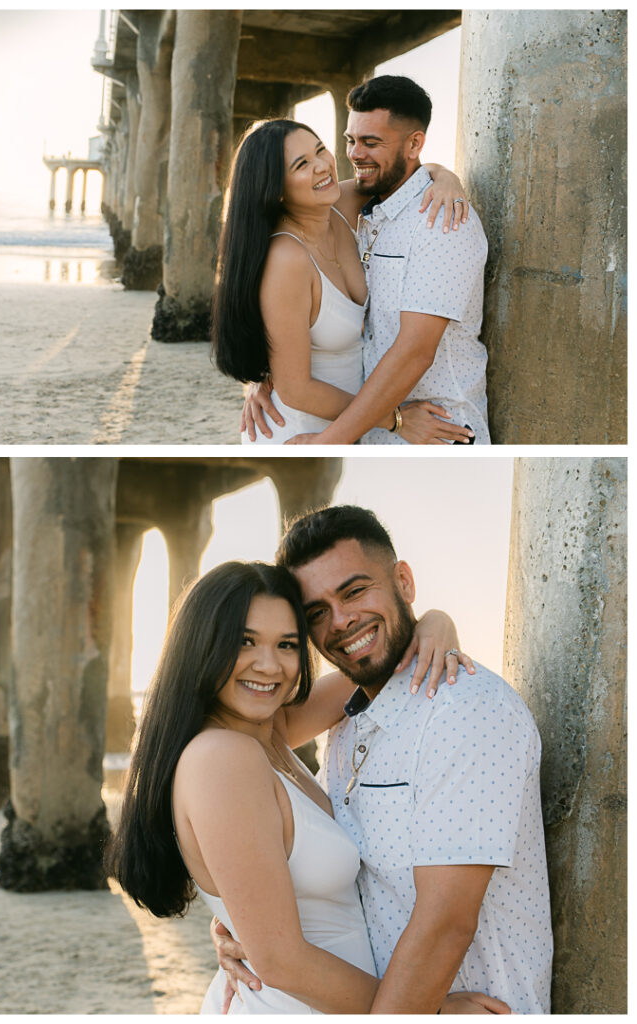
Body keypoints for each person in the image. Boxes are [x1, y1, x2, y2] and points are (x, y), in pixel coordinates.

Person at [106, 560, 508, 1014]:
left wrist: (436, 622)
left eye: (288, 644)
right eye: (244, 641)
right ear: (202, 646)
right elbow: (280, 961)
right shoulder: (223, 759)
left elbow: (381, 669)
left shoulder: (268, 731)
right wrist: (429, 1011)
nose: (269, 664)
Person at [213, 506, 553, 1013]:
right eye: (316, 613)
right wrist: (238, 922)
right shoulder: (349, 721)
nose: (341, 620)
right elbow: (254, 724)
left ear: (404, 581)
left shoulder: (465, 711)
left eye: (354, 592)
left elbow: (445, 924)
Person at [243, 76, 491, 446]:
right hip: (365, 426)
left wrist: (445, 175)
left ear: (414, 143)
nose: (353, 155)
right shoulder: (351, 214)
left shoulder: (439, 220)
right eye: (350, 140)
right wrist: (264, 373)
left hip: (438, 429)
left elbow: (414, 351)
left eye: (370, 142)